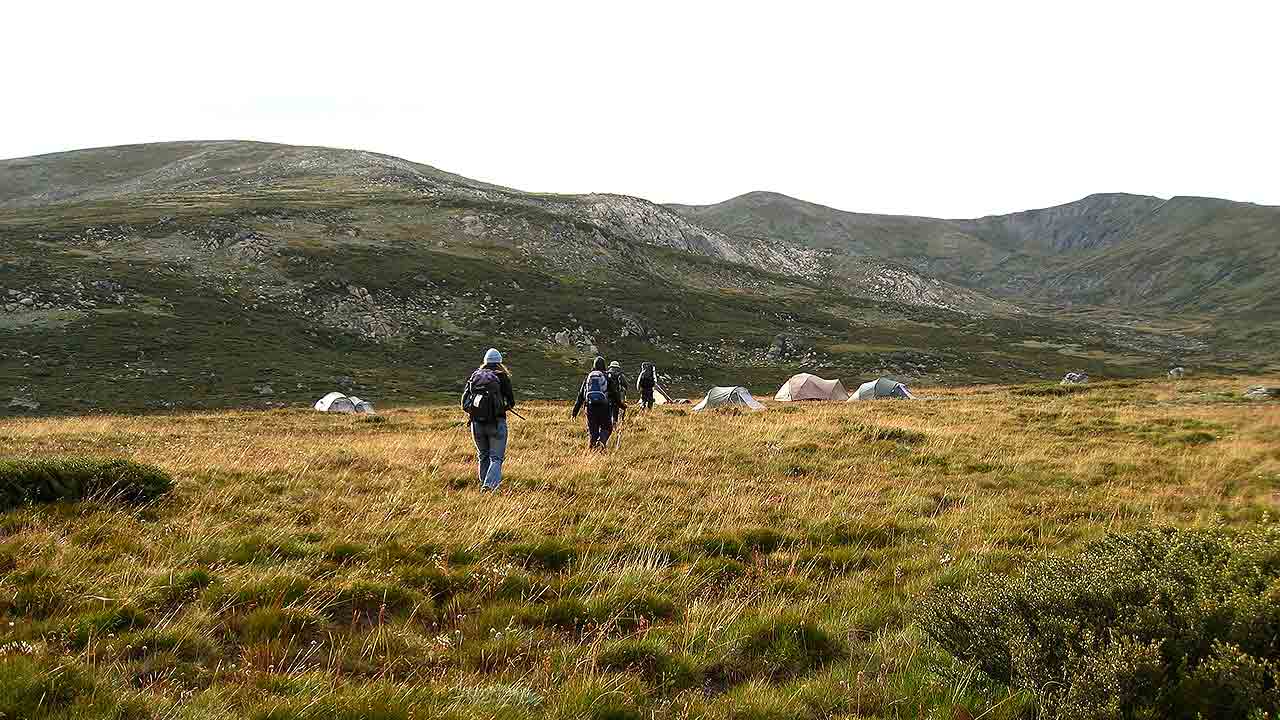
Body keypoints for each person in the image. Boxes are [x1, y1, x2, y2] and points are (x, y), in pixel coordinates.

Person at [461, 348, 516, 491]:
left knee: (483, 455)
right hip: (496, 422)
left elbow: (464, 403)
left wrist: (477, 412)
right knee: (496, 458)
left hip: (476, 423)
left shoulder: (475, 376)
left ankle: (484, 486)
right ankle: (489, 486)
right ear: (500, 362)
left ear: (485, 362)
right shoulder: (502, 376)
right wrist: (501, 408)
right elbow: (511, 401)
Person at [571, 356, 618, 449]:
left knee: (593, 432)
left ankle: (591, 452)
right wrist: (621, 405)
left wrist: (574, 412)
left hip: (590, 407)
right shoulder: (606, 377)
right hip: (604, 407)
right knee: (607, 428)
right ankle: (601, 443)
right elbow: (614, 393)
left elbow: (580, 396)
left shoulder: (588, 377)